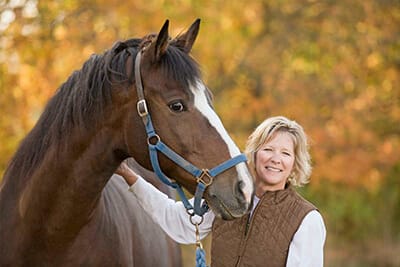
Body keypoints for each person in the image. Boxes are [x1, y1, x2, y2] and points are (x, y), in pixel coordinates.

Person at [116, 116, 326, 267]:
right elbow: (178, 221)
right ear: (254, 154)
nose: (275, 159)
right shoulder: (229, 199)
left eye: (286, 153)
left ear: (295, 163)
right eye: (268, 149)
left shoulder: (307, 219)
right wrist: (129, 175)